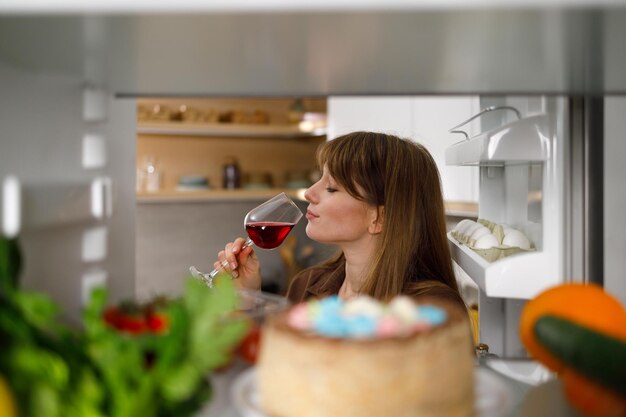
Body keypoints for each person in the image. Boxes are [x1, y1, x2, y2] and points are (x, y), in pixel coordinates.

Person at [213, 131, 466, 310]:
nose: (310, 193)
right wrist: (246, 298)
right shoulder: (307, 284)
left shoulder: (431, 310)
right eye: (319, 179)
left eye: (332, 188)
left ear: (379, 217)